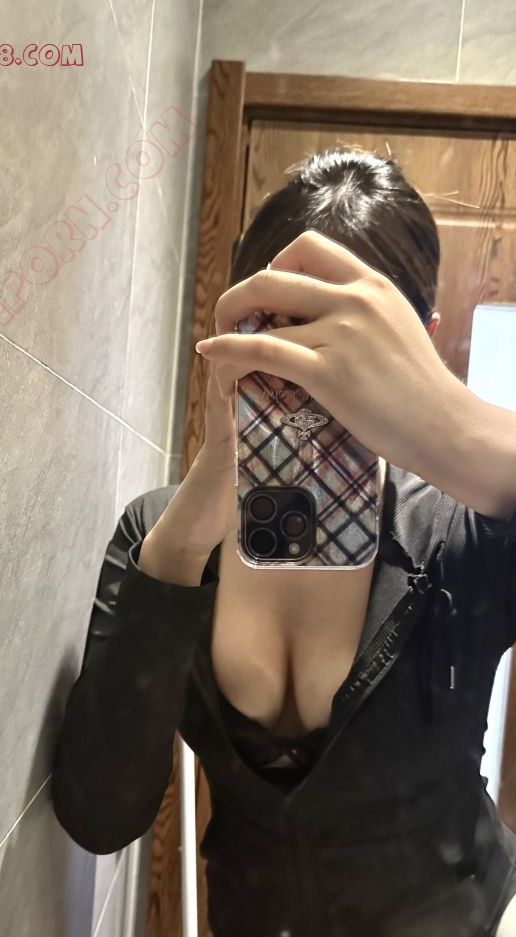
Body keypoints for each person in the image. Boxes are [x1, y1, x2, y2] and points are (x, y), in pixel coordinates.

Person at [50, 148, 516, 936]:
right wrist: (189, 527)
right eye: (276, 332)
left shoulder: (462, 530)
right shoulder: (162, 534)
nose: (308, 379)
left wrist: (445, 421)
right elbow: (100, 814)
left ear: (419, 345)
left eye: (349, 346)